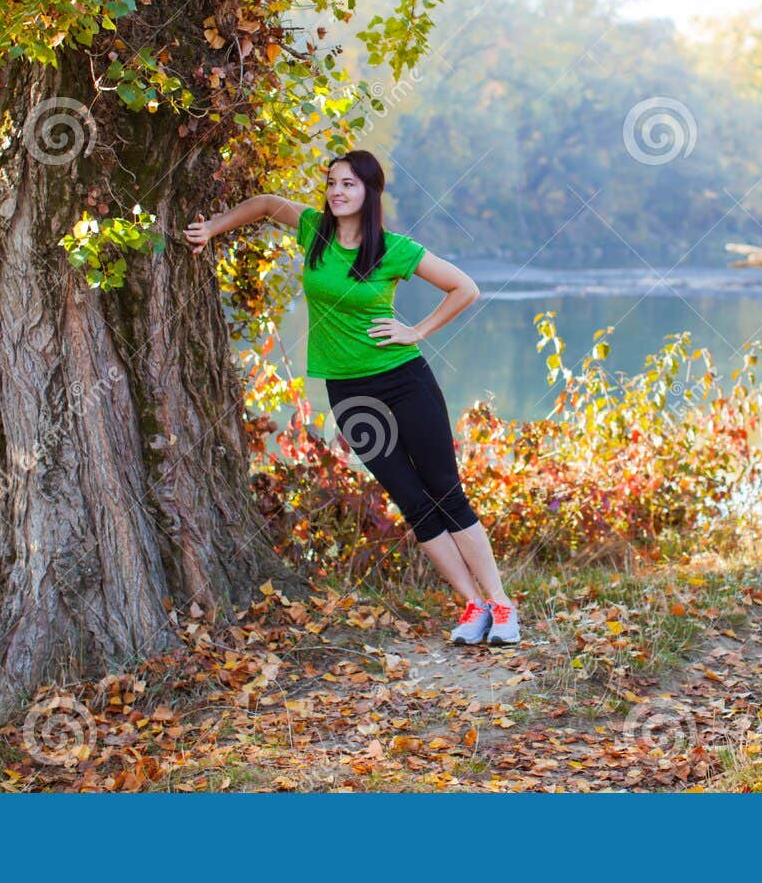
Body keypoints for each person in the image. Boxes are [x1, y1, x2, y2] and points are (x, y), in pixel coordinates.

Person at [183, 149, 520, 646]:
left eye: (349, 184)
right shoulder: (314, 231)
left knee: (445, 490)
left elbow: (464, 288)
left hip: (405, 380)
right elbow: (265, 203)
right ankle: (472, 605)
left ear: (369, 193)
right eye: (332, 183)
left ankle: (502, 605)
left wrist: (416, 330)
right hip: (349, 392)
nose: (337, 192)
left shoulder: (393, 248)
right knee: (410, 498)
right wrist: (213, 227)